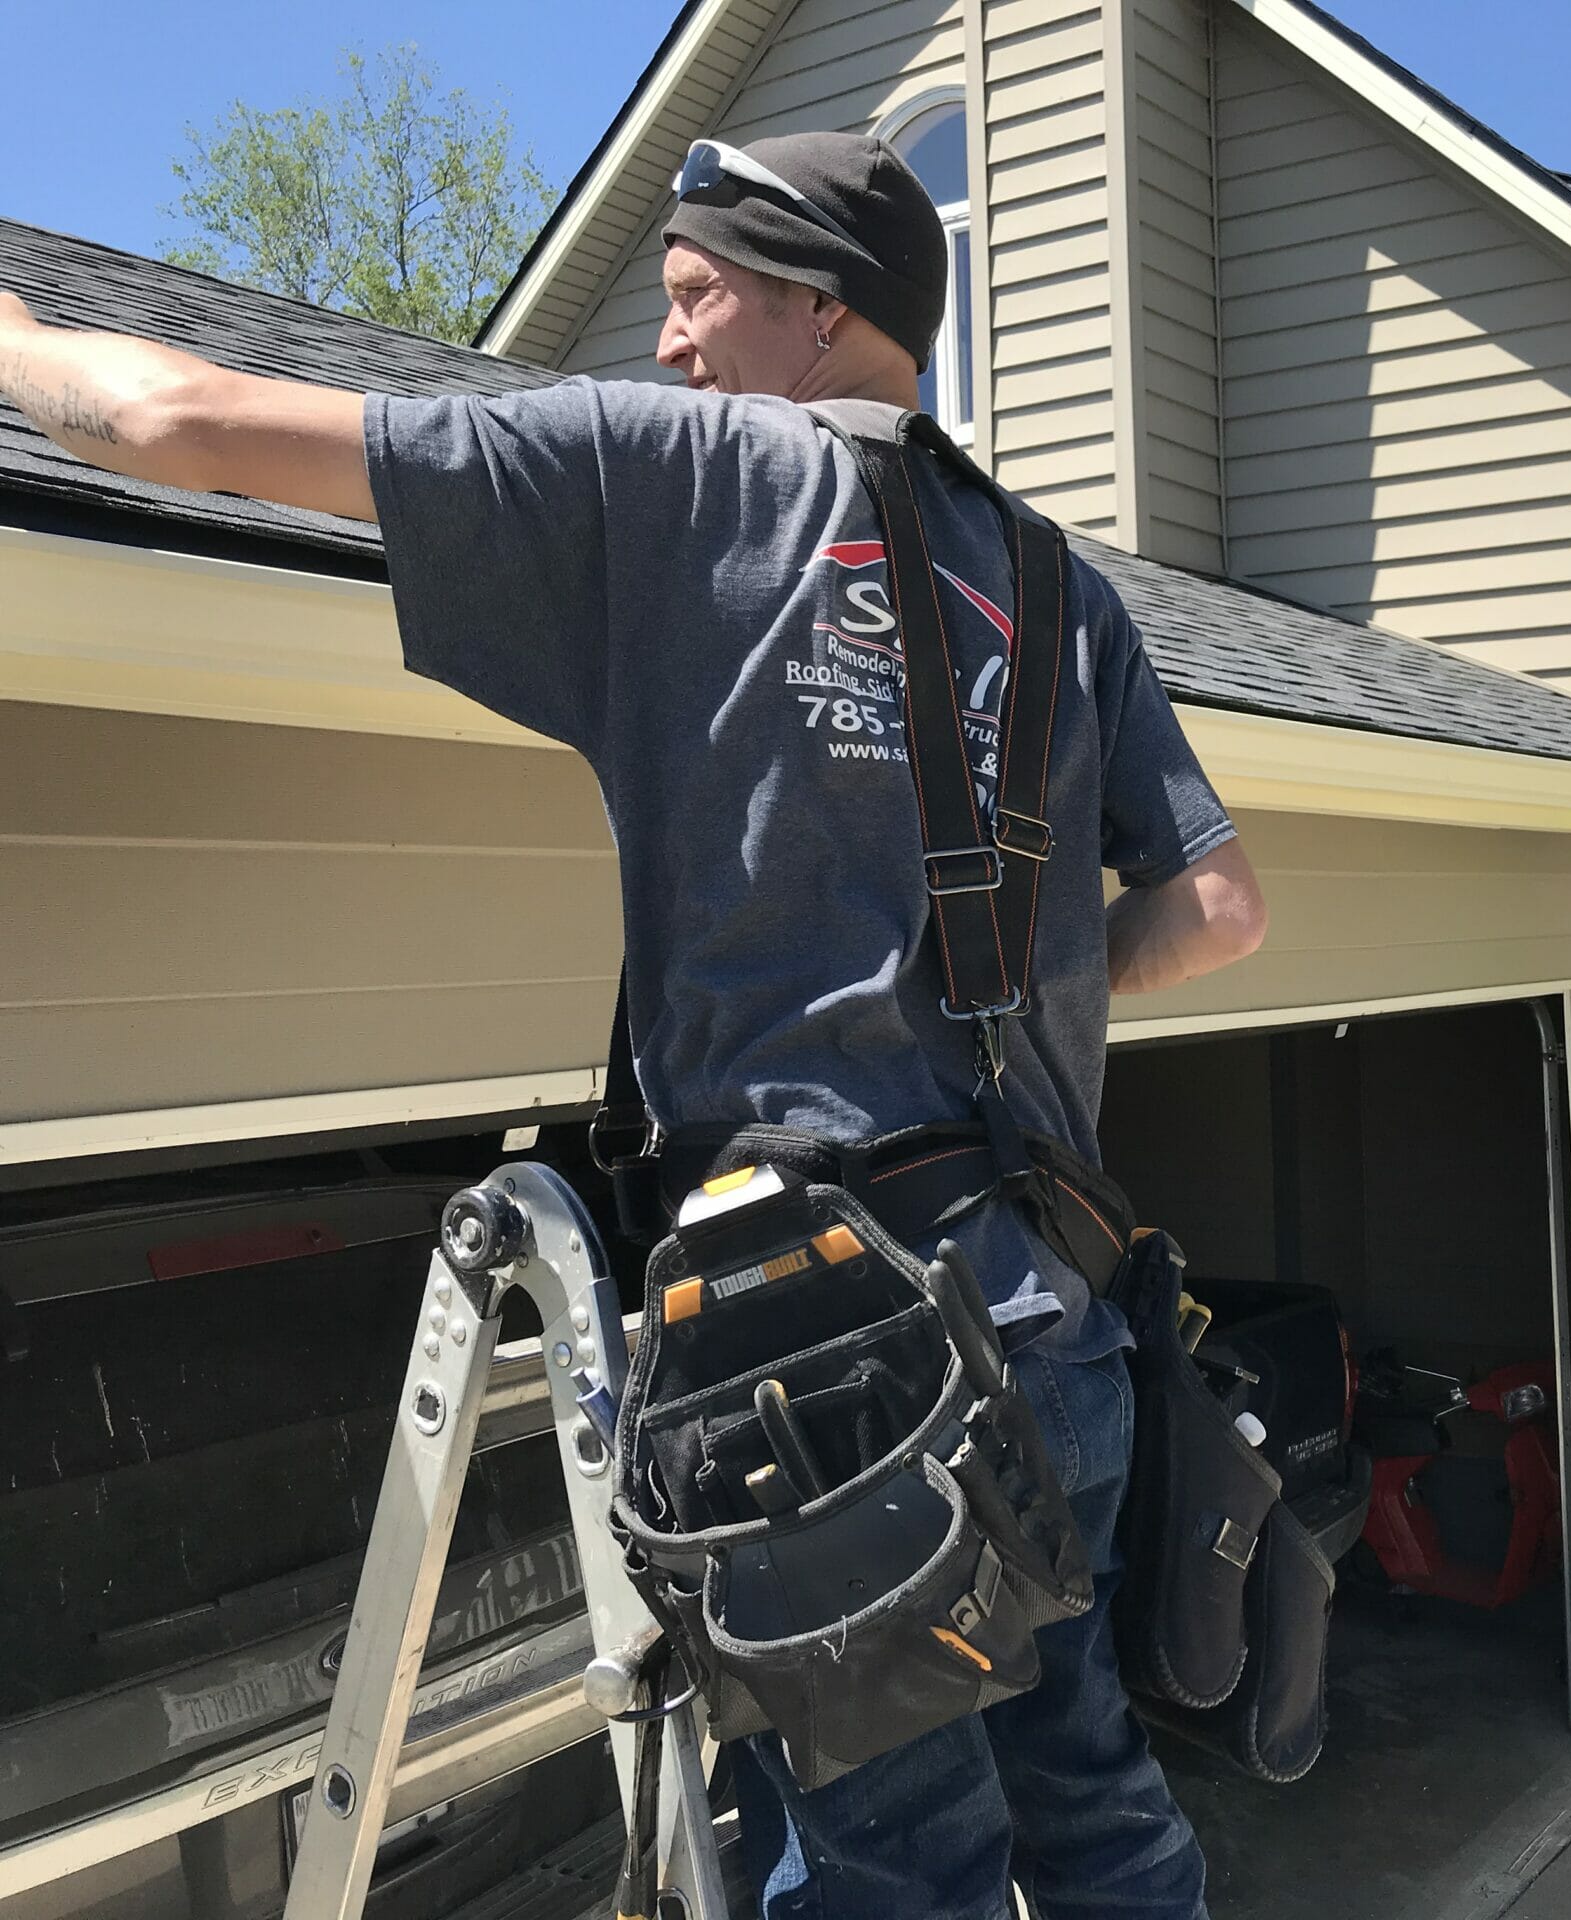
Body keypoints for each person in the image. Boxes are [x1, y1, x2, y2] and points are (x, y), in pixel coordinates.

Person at [1, 130, 1256, 1919]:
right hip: (1060, 1318)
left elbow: (174, 424)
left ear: (821, 309)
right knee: (1104, 1822)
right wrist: (1046, 982)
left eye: (695, 297)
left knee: (892, 1881)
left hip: (835, 1365)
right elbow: (1221, 909)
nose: (667, 345)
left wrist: (6, 333)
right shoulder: (1063, 590)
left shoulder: (679, 475)